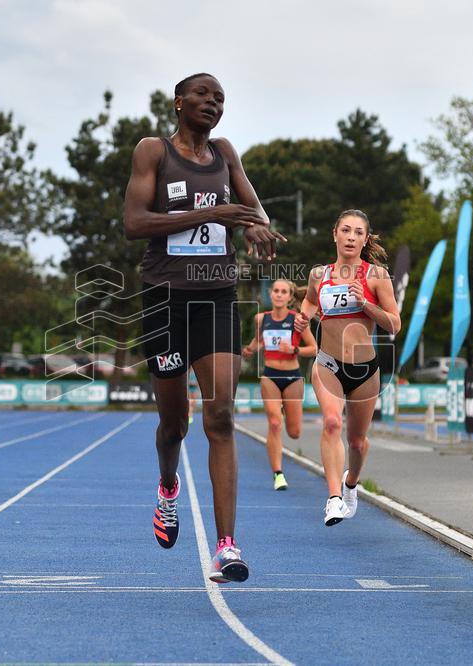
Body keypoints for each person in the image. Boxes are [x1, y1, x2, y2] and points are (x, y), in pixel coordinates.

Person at [123, 73, 285, 583]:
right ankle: (168, 487)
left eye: (220, 98)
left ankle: (226, 548)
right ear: (178, 103)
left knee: (220, 417)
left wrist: (255, 224)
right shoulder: (153, 151)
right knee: (175, 426)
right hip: (165, 300)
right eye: (203, 95)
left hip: (216, 297)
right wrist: (213, 211)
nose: (213, 103)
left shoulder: (225, 153)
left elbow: (251, 207)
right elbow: (134, 222)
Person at [294, 210, 400, 526]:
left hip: (365, 369)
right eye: (346, 230)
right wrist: (303, 320)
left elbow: (394, 324)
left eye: (358, 232)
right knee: (330, 423)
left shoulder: (376, 276)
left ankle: (350, 483)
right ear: (335, 235)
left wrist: (365, 303)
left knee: (356, 441)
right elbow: (310, 303)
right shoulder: (318, 274)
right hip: (327, 364)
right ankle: (333, 498)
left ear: (365, 239)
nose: (351, 237)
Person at [241, 280, 317, 490]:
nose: (279, 294)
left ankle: (285, 412)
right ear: (270, 293)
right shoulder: (260, 319)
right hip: (270, 376)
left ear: (290, 297)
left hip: (292, 376)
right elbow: (259, 341)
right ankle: (278, 474)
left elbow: (313, 348)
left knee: (294, 432)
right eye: (276, 291)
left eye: (284, 292)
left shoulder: (297, 320)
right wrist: (250, 350)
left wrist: (294, 350)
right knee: (274, 423)